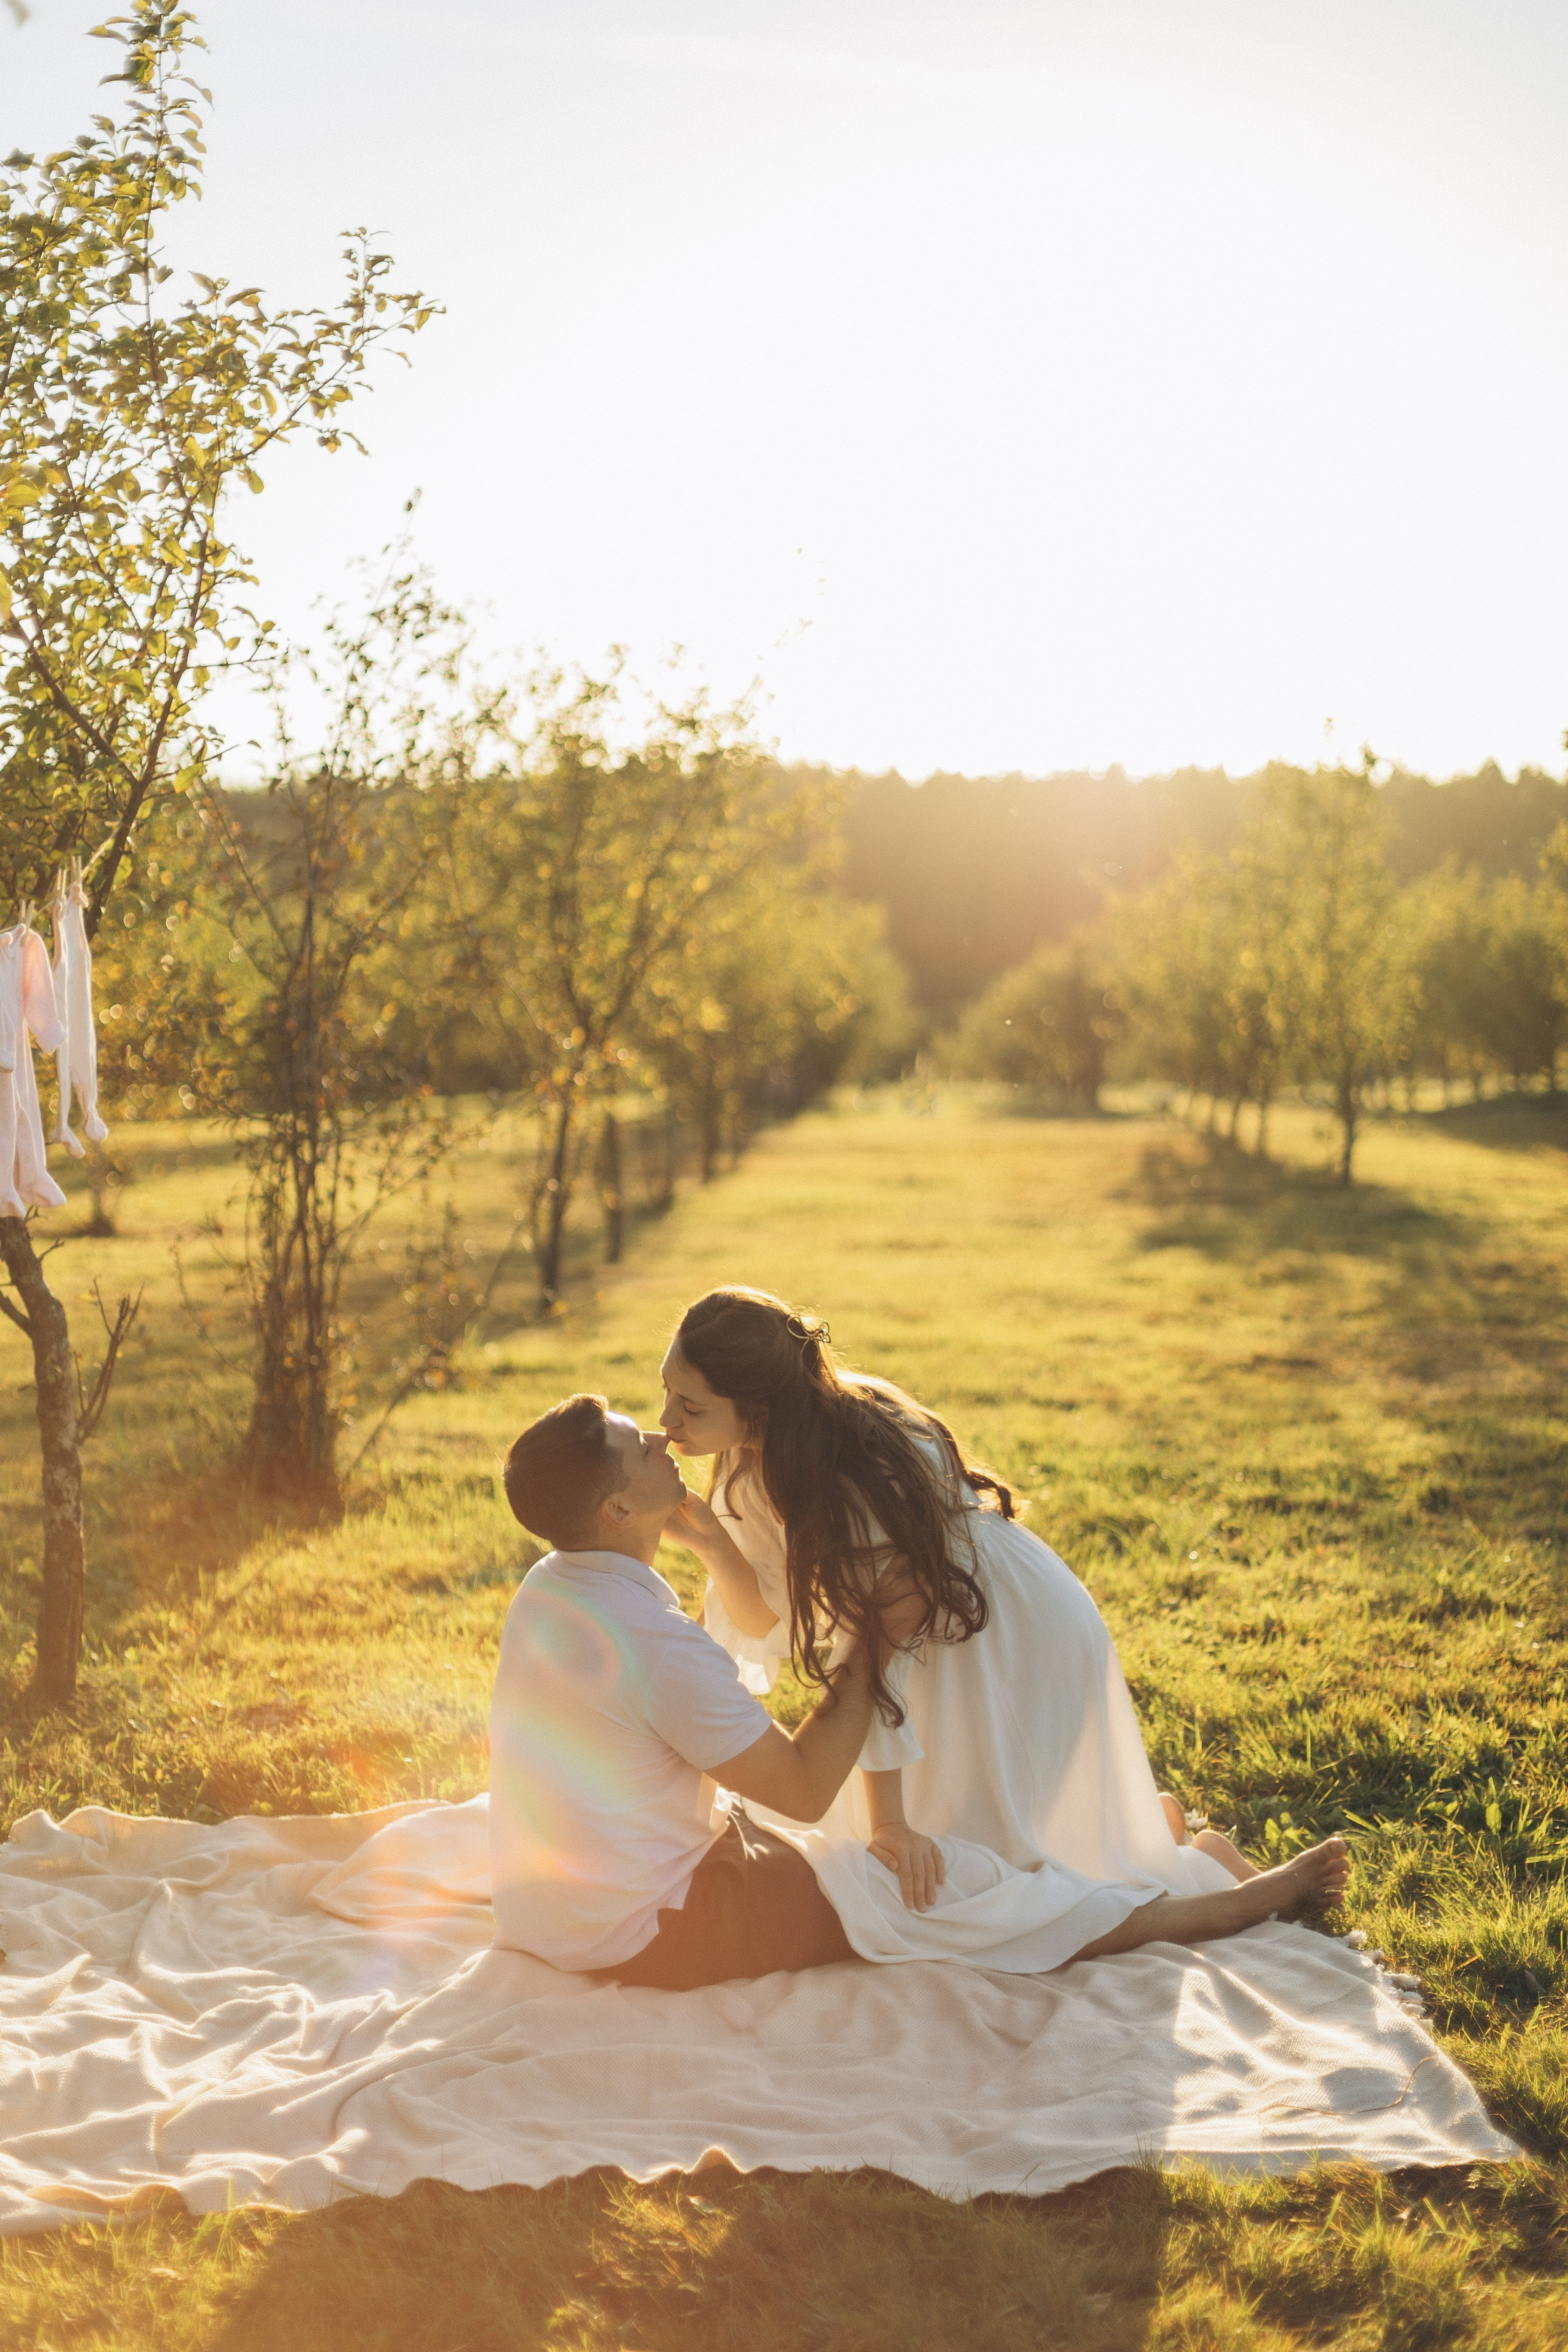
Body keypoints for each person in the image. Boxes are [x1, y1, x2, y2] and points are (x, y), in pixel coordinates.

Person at [490, 1381, 1349, 1992]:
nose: (661, 1440)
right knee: (947, 1889)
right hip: (661, 1927)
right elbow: (797, 1788)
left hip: (562, 1910)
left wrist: (720, 1549)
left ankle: (1121, 1857)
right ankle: (1226, 1903)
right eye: (636, 1444)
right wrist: (874, 1637)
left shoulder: (554, 1586)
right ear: (615, 1513)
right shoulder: (655, 1646)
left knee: (880, 1842)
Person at [658, 1286, 1349, 1943]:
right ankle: (1156, 1840)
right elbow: (762, 1622)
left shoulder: (843, 1466)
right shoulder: (751, 1461)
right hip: (945, 1635)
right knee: (931, 1867)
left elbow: (876, 1657)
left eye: (689, 1406)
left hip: (1001, 1633)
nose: (667, 1421)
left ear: (759, 1408)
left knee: (958, 1892)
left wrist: (891, 1822)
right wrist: (715, 1546)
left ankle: (1203, 1884)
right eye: (668, 1394)